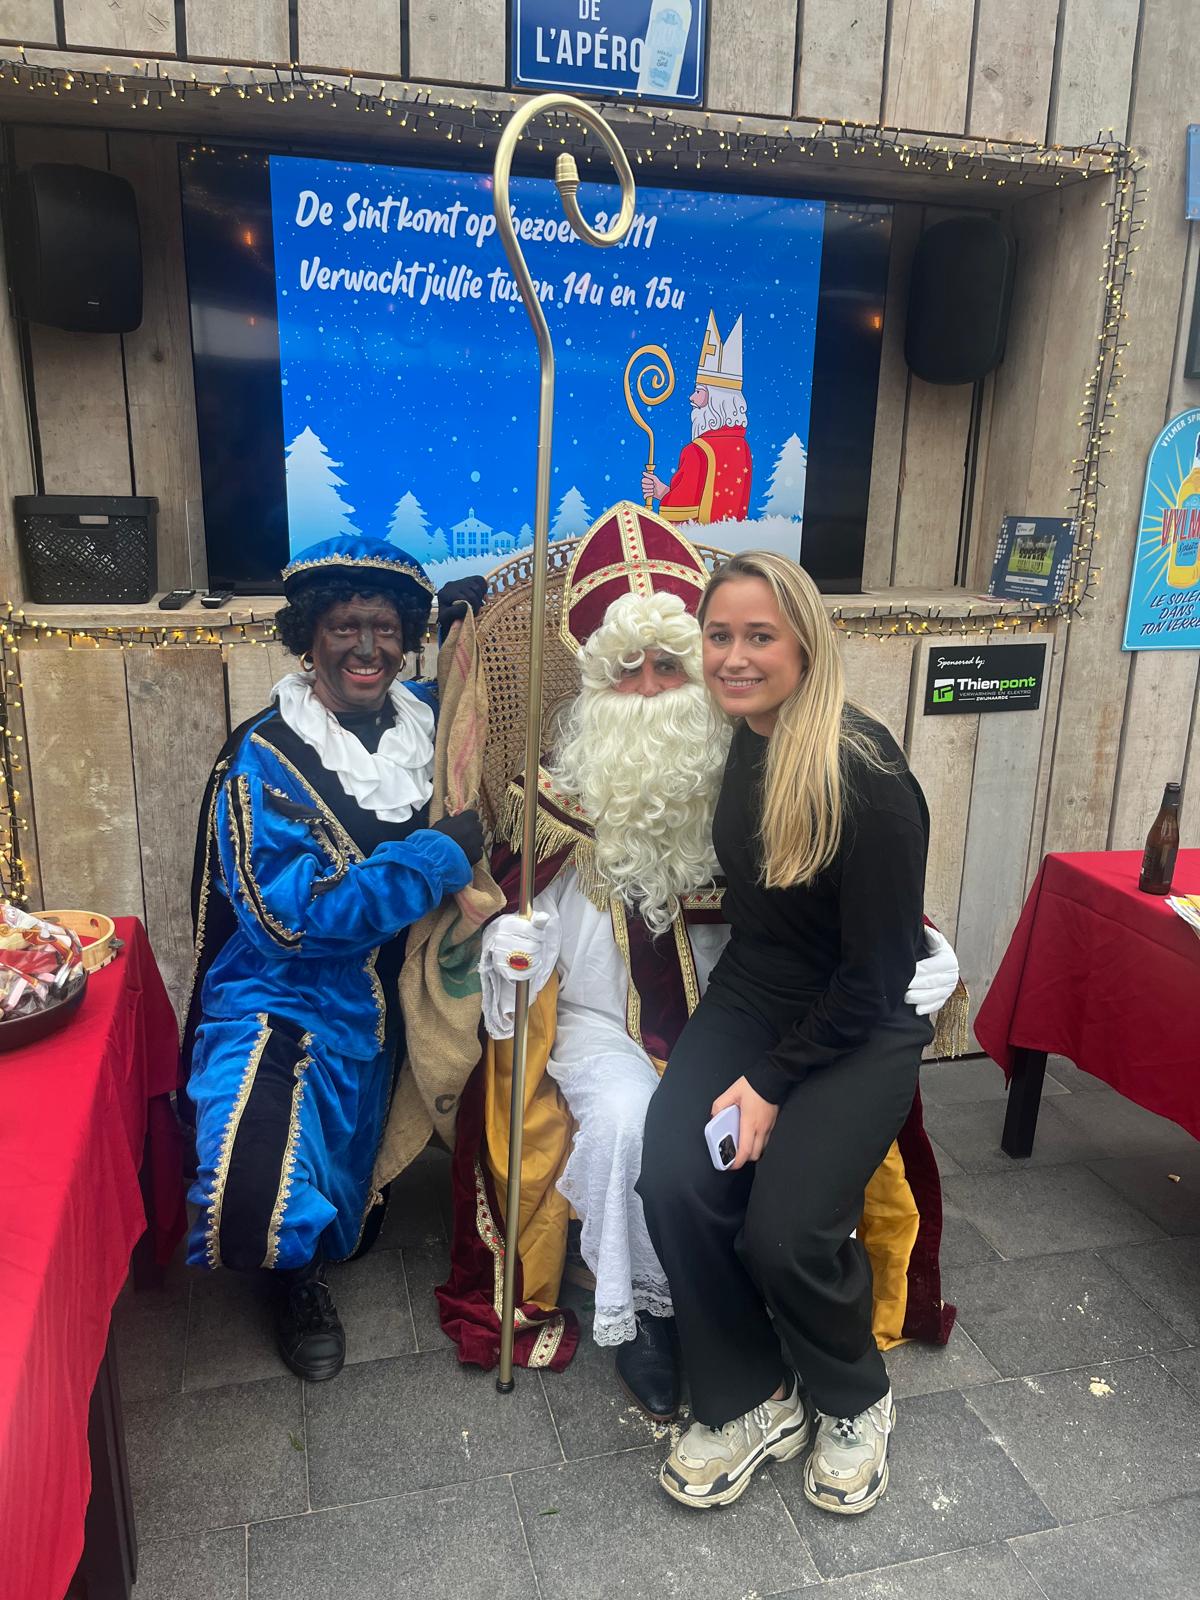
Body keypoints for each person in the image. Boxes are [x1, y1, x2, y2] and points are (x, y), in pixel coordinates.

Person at [437, 507, 960, 1421]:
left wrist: (924, 947)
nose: (650, 687)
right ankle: (653, 1316)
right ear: (598, 681)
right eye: (628, 668)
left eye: (669, 664)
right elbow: (524, 924)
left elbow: (836, 894)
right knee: (638, 1127)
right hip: (605, 1023)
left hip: (760, 1012)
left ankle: (770, 1313)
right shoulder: (555, 794)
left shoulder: (759, 757)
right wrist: (512, 950)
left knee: (760, 1150)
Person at [638, 549, 938, 1516]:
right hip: (758, 992)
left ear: (804, 644)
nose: (733, 657)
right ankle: (754, 1392)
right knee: (674, 1176)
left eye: (758, 637)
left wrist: (771, 1080)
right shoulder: (743, 739)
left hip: (862, 1019)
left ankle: (853, 1397)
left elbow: (877, 973)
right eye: (718, 635)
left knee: (785, 1231)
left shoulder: (867, 775)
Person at [181, 533, 486, 1382]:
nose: (366, 648)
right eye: (346, 627)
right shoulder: (262, 760)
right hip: (282, 998)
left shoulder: (423, 718)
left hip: (396, 1002)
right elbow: (293, 921)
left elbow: (485, 706)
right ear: (309, 637)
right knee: (252, 1183)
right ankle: (294, 1284)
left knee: (356, 1218)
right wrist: (433, 858)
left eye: (386, 628)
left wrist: (471, 632)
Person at [642, 311, 752, 524]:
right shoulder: (742, 447)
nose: (692, 398)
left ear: (717, 399)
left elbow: (681, 513)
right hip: (733, 541)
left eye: (699, 391)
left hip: (700, 542)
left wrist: (662, 492)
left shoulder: (697, 451)